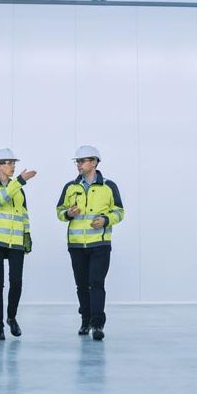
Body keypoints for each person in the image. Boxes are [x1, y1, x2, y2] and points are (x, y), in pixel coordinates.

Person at [56, 145, 124, 341]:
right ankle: (85, 321)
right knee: (81, 285)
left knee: (96, 283)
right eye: (77, 161)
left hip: (100, 244)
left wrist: (106, 220)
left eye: (82, 161)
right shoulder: (70, 187)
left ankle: (97, 324)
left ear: (94, 162)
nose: (78, 164)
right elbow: (59, 211)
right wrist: (68, 213)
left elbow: (119, 211)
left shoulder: (109, 186)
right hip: (76, 245)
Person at [0, 148, 36, 341]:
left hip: (16, 242)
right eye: (9, 162)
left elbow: (23, 214)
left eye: (14, 163)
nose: (13, 166)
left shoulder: (18, 190)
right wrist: (20, 181)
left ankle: (11, 317)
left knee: (17, 282)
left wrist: (27, 237)